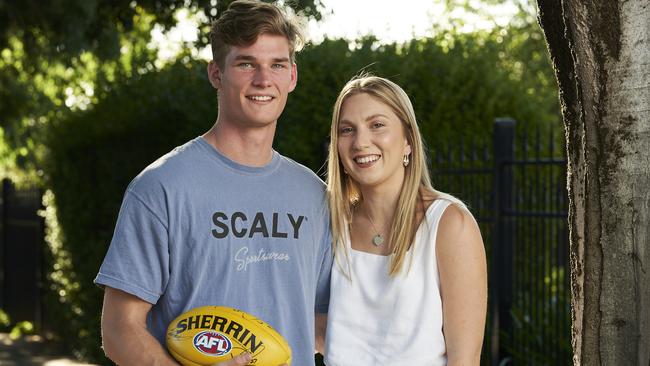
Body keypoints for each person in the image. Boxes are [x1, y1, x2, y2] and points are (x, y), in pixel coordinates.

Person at [95, 1, 332, 365]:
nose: (263, 79)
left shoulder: (313, 195)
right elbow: (118, 327)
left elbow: (317, 321)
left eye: (277, 65)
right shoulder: (161, 188)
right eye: (246, 63)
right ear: (216, 74)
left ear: (292, 77)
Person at [318, 75, 487, 365]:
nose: (360, 142)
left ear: (408, 140)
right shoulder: (331, 223)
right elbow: (325, 328)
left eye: (377, 125)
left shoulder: (449, 224)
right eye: (347, 130)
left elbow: (465, 359)